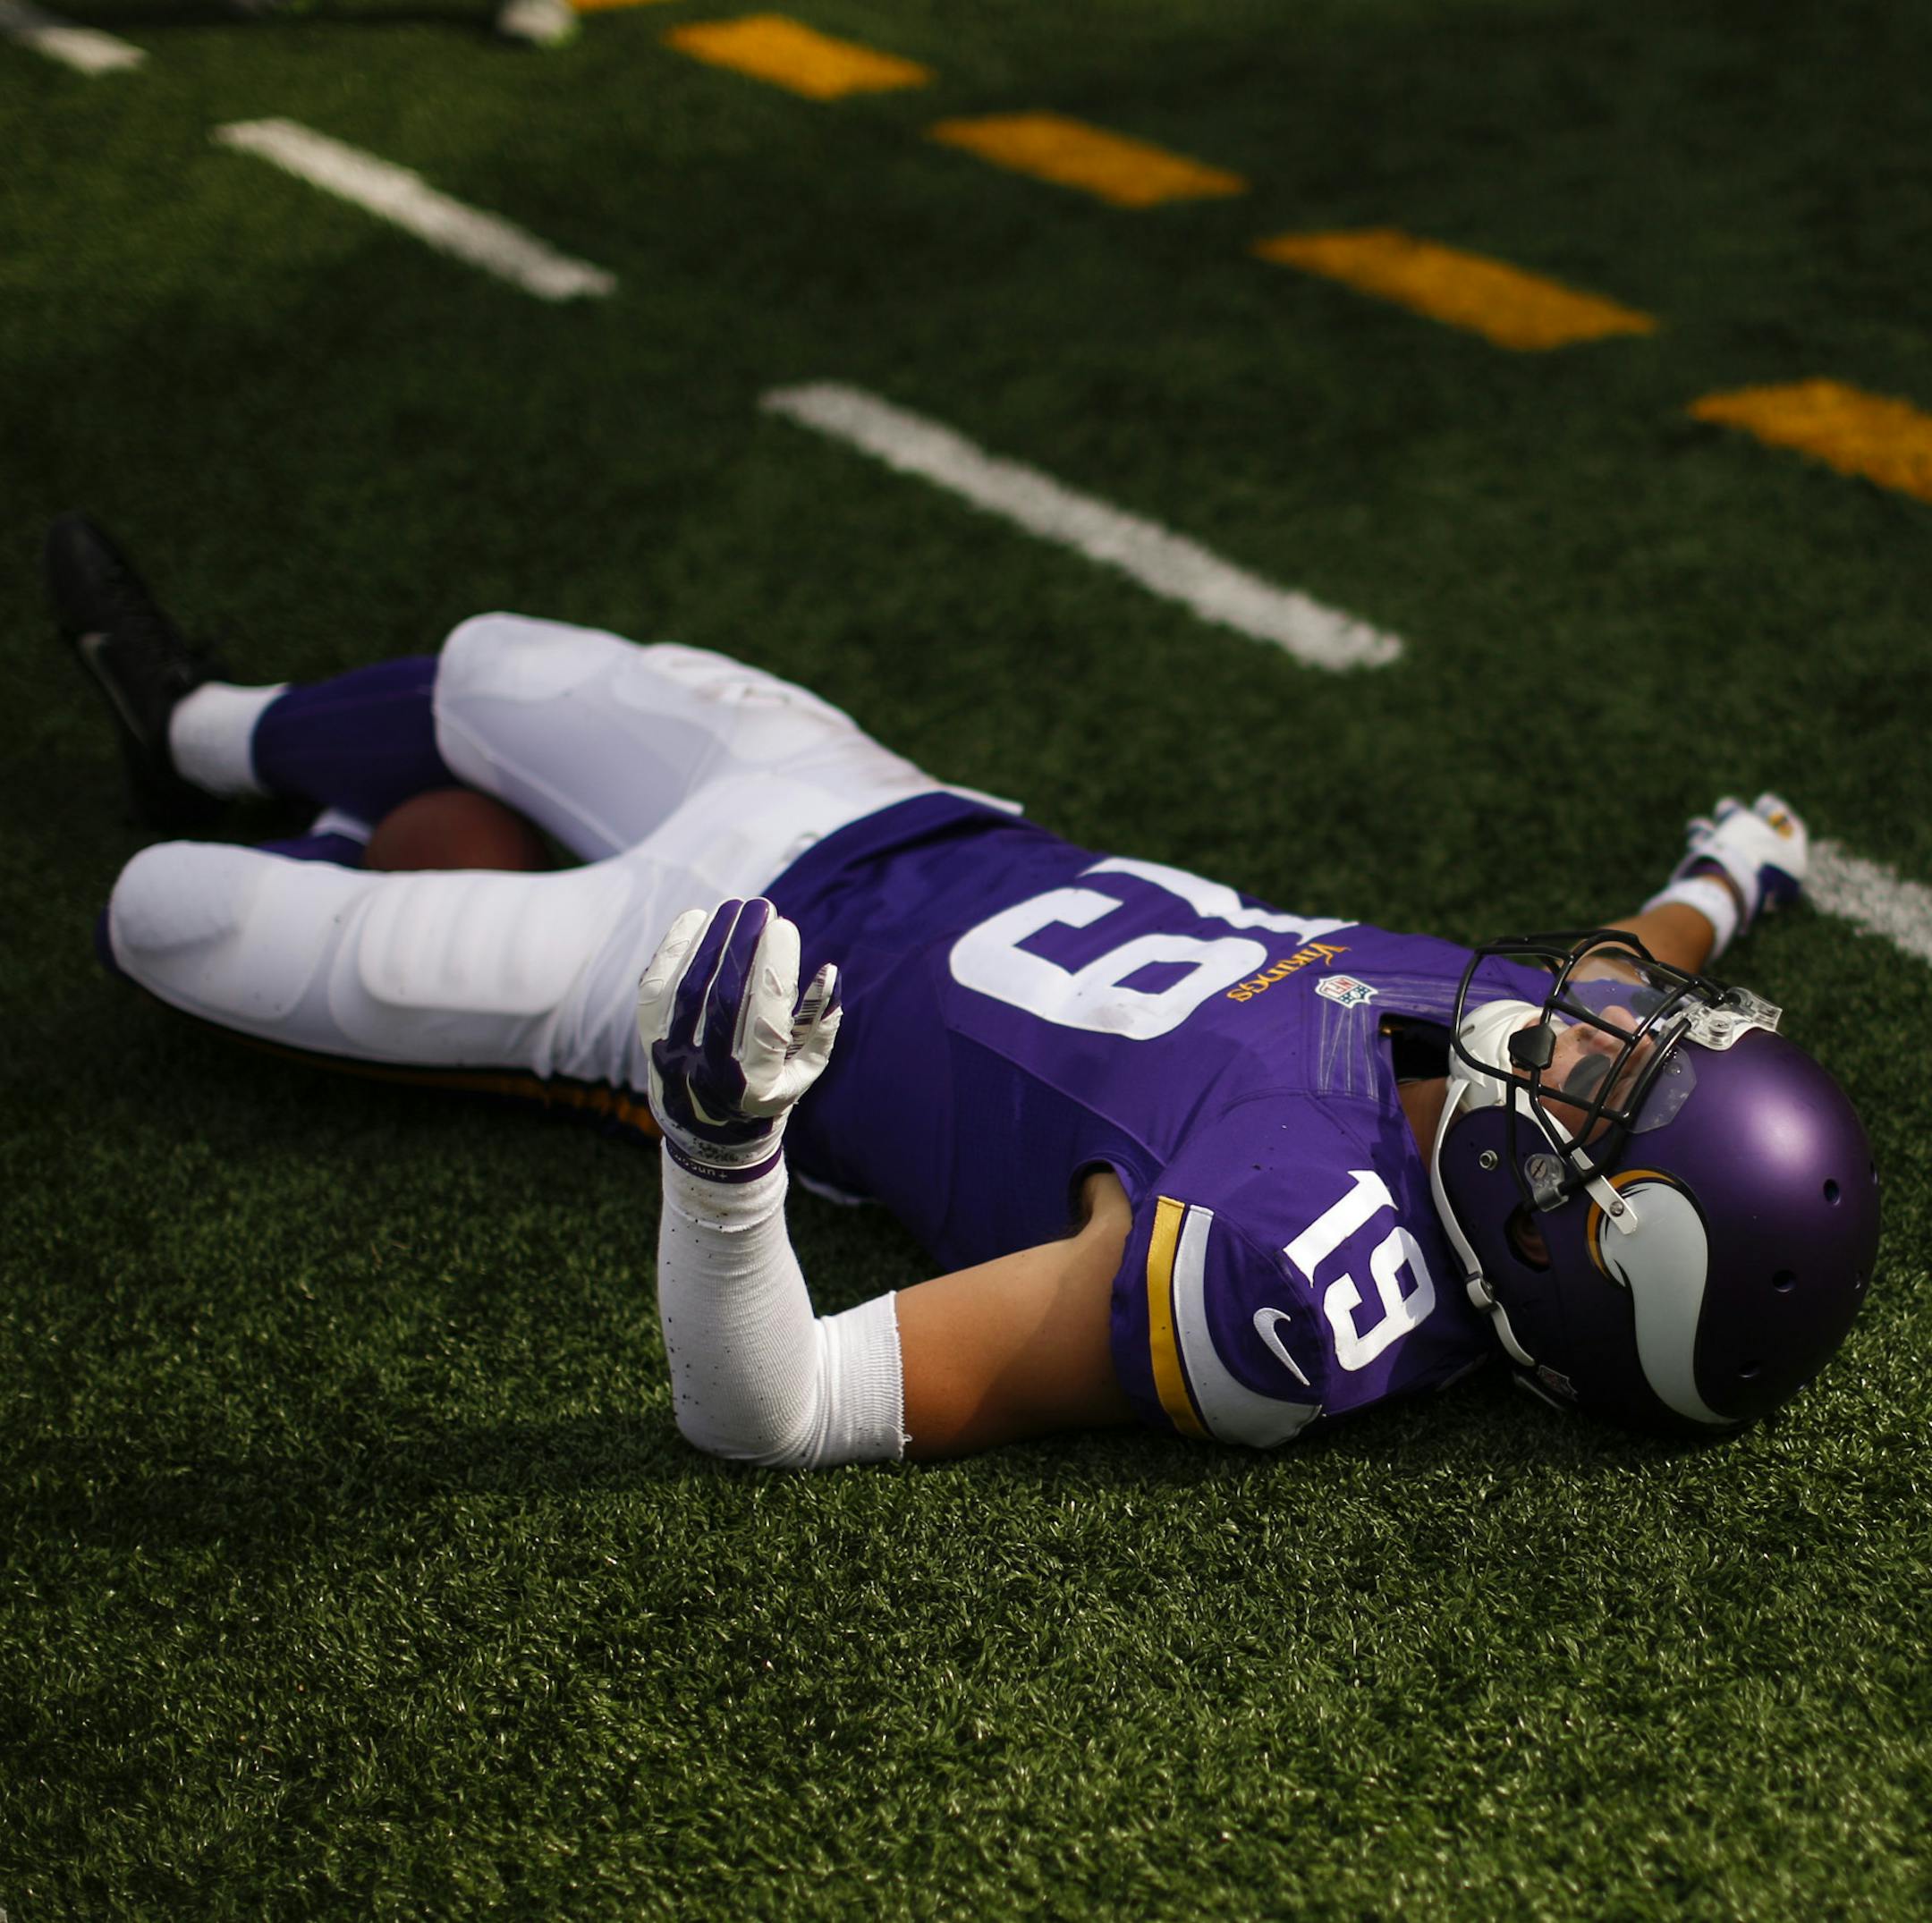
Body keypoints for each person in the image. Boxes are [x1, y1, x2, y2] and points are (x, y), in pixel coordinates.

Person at [52, 513, 1881, 1471]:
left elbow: (771, 1412)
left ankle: (329, 835)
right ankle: (194, 722)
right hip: (879, 805)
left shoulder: (1285, 1277)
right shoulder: (1529, 1068)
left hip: (699, 977)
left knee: (171, 920)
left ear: (1568, 1259)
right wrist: (1727, 876)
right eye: (1635, 1042)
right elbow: (1634, 961)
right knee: (510, 672)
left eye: (1609, 1084)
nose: (1594, 1029)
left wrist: (721, 1143)